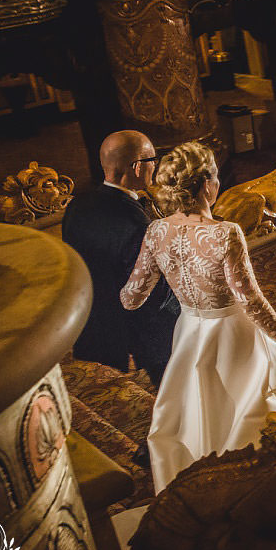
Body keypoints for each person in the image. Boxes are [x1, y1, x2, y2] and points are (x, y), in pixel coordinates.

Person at [120, 141, 276, 493]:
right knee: (253, 414)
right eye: (216, 177)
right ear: (205, 184)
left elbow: (131, 298)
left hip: (190, 334)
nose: (218, 183)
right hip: (233, 335)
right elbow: (251, 300)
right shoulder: (225, 234)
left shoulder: (156, 231)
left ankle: (208, 491)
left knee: (197, 418)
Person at [62, 130, 180, 387]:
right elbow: (151, 293)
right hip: (137, 329)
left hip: (93, 319)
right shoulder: (136, 224)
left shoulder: (77, 206)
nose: (155, 168)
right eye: (152, 161)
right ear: (137, 167)